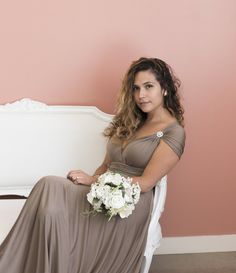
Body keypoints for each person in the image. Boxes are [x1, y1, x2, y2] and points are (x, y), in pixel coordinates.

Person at [0, 57, 186, 273]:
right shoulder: (131, 120)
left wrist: (93, 180)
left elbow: (145, 183)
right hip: (101, 189)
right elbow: (106, 165)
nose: (141, 95)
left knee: (50, 189)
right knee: (48, 190)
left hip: (129, 202)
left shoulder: (174, 132)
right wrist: (94, 182)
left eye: (148, 87)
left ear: (164, 88)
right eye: (136, 88)